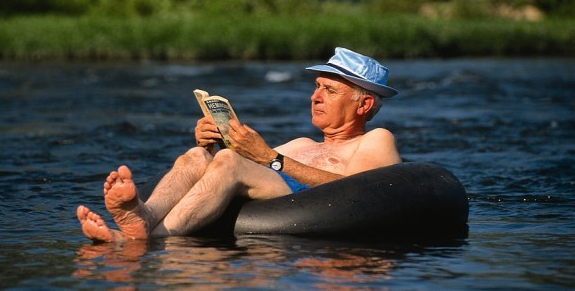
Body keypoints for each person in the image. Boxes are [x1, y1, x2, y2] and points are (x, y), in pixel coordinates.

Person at [77, 47, 401, 242]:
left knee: (231, 163)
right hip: (279, 192)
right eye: (316, 87)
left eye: (329, 90)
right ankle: (142, 218)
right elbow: (255, 171)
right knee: (197, 156)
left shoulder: (376, 139)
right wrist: (211, 144)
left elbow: (361, 190)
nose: (314, 97)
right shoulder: (301, 142)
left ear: (364, 105)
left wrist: (271, 158)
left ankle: (152, 238)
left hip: (315, 205)